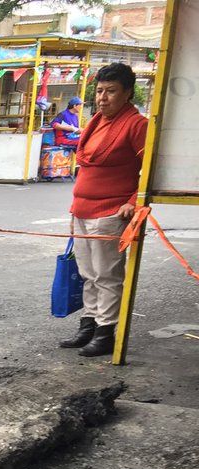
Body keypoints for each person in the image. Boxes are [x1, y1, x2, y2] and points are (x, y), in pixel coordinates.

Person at [58, 63, 147, 357]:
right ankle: (89, 324)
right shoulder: (96, 122)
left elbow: (151, 170)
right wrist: (75, 208)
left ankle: (106, 331)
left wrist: (133, 201)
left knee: (107, 275)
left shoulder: (137, 125)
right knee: (87, 273)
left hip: (111, 212)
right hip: (82, 210)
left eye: (111, 91)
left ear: (128, 93)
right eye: (99, 91)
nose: (102, 98)